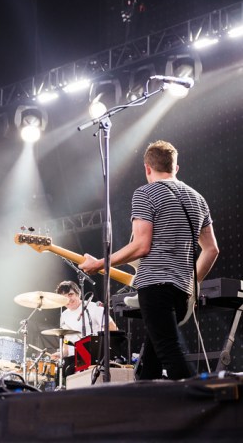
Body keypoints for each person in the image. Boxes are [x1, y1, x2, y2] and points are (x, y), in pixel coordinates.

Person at [80, 140, 219, 380]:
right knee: (150, 365)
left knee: (171, 354)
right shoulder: (198, 199)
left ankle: (204, 396)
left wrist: (99, 263)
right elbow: (211, 250)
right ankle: (147, 398)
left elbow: (141, 246)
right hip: (181, 292)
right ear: (176, 167)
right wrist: (192, 284)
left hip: (155, 288)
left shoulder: (146, 193)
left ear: (147, 168)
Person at [52, 280, 118, 379]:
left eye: (70, 294)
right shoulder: (64, 315)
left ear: (78, 293)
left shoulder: (94, 307)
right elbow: (66, 342)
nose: (68, 299)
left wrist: (101, 350)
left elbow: (113, 330)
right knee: (61, 374)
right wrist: (61, 353)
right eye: (64, 297)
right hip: (73, 359)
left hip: (93, 357)